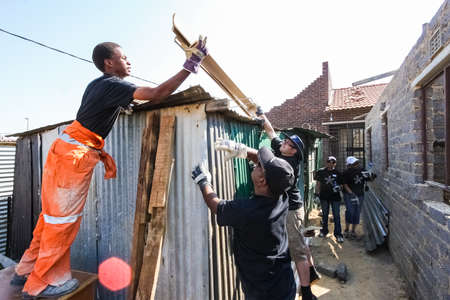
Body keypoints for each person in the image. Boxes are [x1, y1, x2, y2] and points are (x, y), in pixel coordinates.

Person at [12, 39, 208, 299]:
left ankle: (24, 271)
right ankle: (43, 283)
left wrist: (125, 104)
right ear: (109, 63)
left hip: (63, 151)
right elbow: (159, 93)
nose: (129, 62)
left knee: (50, 218)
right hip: (74, 157)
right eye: (124, 57)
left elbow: (110, 106)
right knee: (63, 223)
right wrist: (191, 65)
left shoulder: (97, 85)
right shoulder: (112, 84)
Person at [214, 111, 319, 300]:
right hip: (284, 206)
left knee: (297, 250)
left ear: (294, 151)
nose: (284, 143)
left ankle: (306, 291)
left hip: (292, 210)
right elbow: (272, 133)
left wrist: (242, 150)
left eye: (289, 144)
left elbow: (263, 161)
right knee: (300, 243)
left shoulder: (288, 162)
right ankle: (311, 272)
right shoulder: (281, 150)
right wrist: (262, 116)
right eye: (286, 142)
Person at [192, 147, 297, 300]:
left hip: (263, 294)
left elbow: (215, 204)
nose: (256, 164)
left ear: (262, 181)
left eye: (260, 165)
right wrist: (242, 151)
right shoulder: (282, 197)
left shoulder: (247, 212)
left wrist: (203, 181)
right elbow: (272, 172)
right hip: (284, 285)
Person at [342, 156, 376, 239]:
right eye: (354, 163)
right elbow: (345, 184)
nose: (357, 164)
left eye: (357, 163)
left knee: (357, 212)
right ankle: (346, 229)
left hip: (360, 194)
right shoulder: (346, 173)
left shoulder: (362, 171)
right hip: (349, 195)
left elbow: (369, 179)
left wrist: (372, 176)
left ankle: (353, 231)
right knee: (350, 211)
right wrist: (351, 193)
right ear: (349, 165)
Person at [314, 156, 344, 243]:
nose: (330, 164)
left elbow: (342, 185)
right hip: (324, 196)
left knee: (336, 215)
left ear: (335, 163)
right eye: (329, 162)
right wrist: (317, 194)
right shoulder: (321, 172)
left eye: (333, 162)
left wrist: (339, 188)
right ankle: (324, 231)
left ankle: (338, 234)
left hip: (335, 197)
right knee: (325, 215)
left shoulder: (338, 173)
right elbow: (318, 184)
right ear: (326, 162)